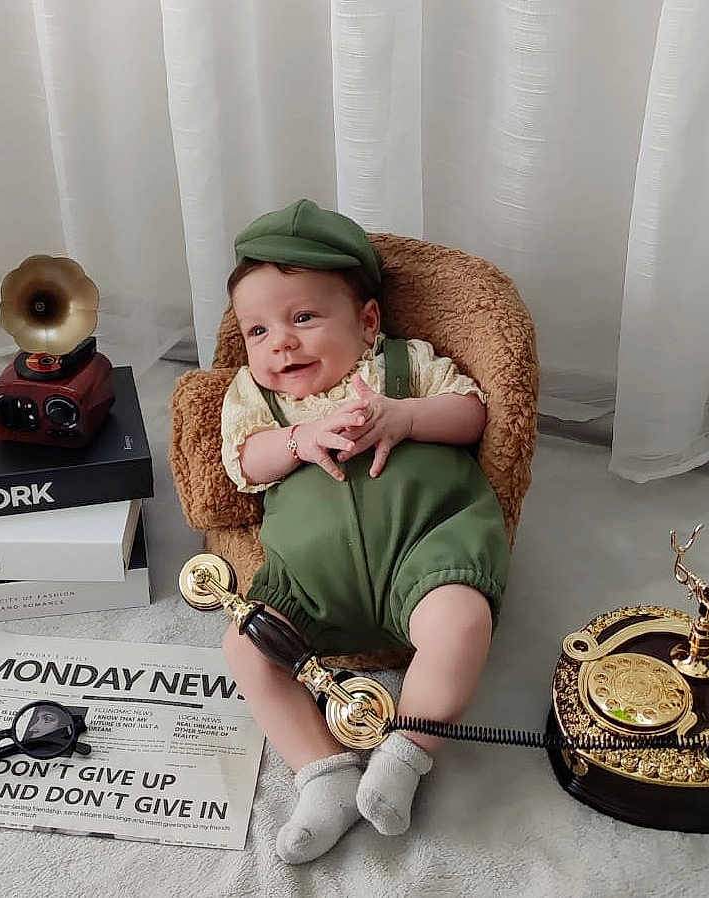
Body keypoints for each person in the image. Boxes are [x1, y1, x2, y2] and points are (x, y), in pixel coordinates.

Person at [219, 199, 511, 864]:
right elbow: (241, 462)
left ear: (368, 320)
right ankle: (323, 775)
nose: (280, 342)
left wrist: (405, 418)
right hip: (310, 583)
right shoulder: (256, 396)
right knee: (247, 646)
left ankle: (406, 754)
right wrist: (296, 439)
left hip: (426, 553)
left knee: (462, 622)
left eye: (302, 318)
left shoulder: (405, 366)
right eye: (257, 330)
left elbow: (472, 416)